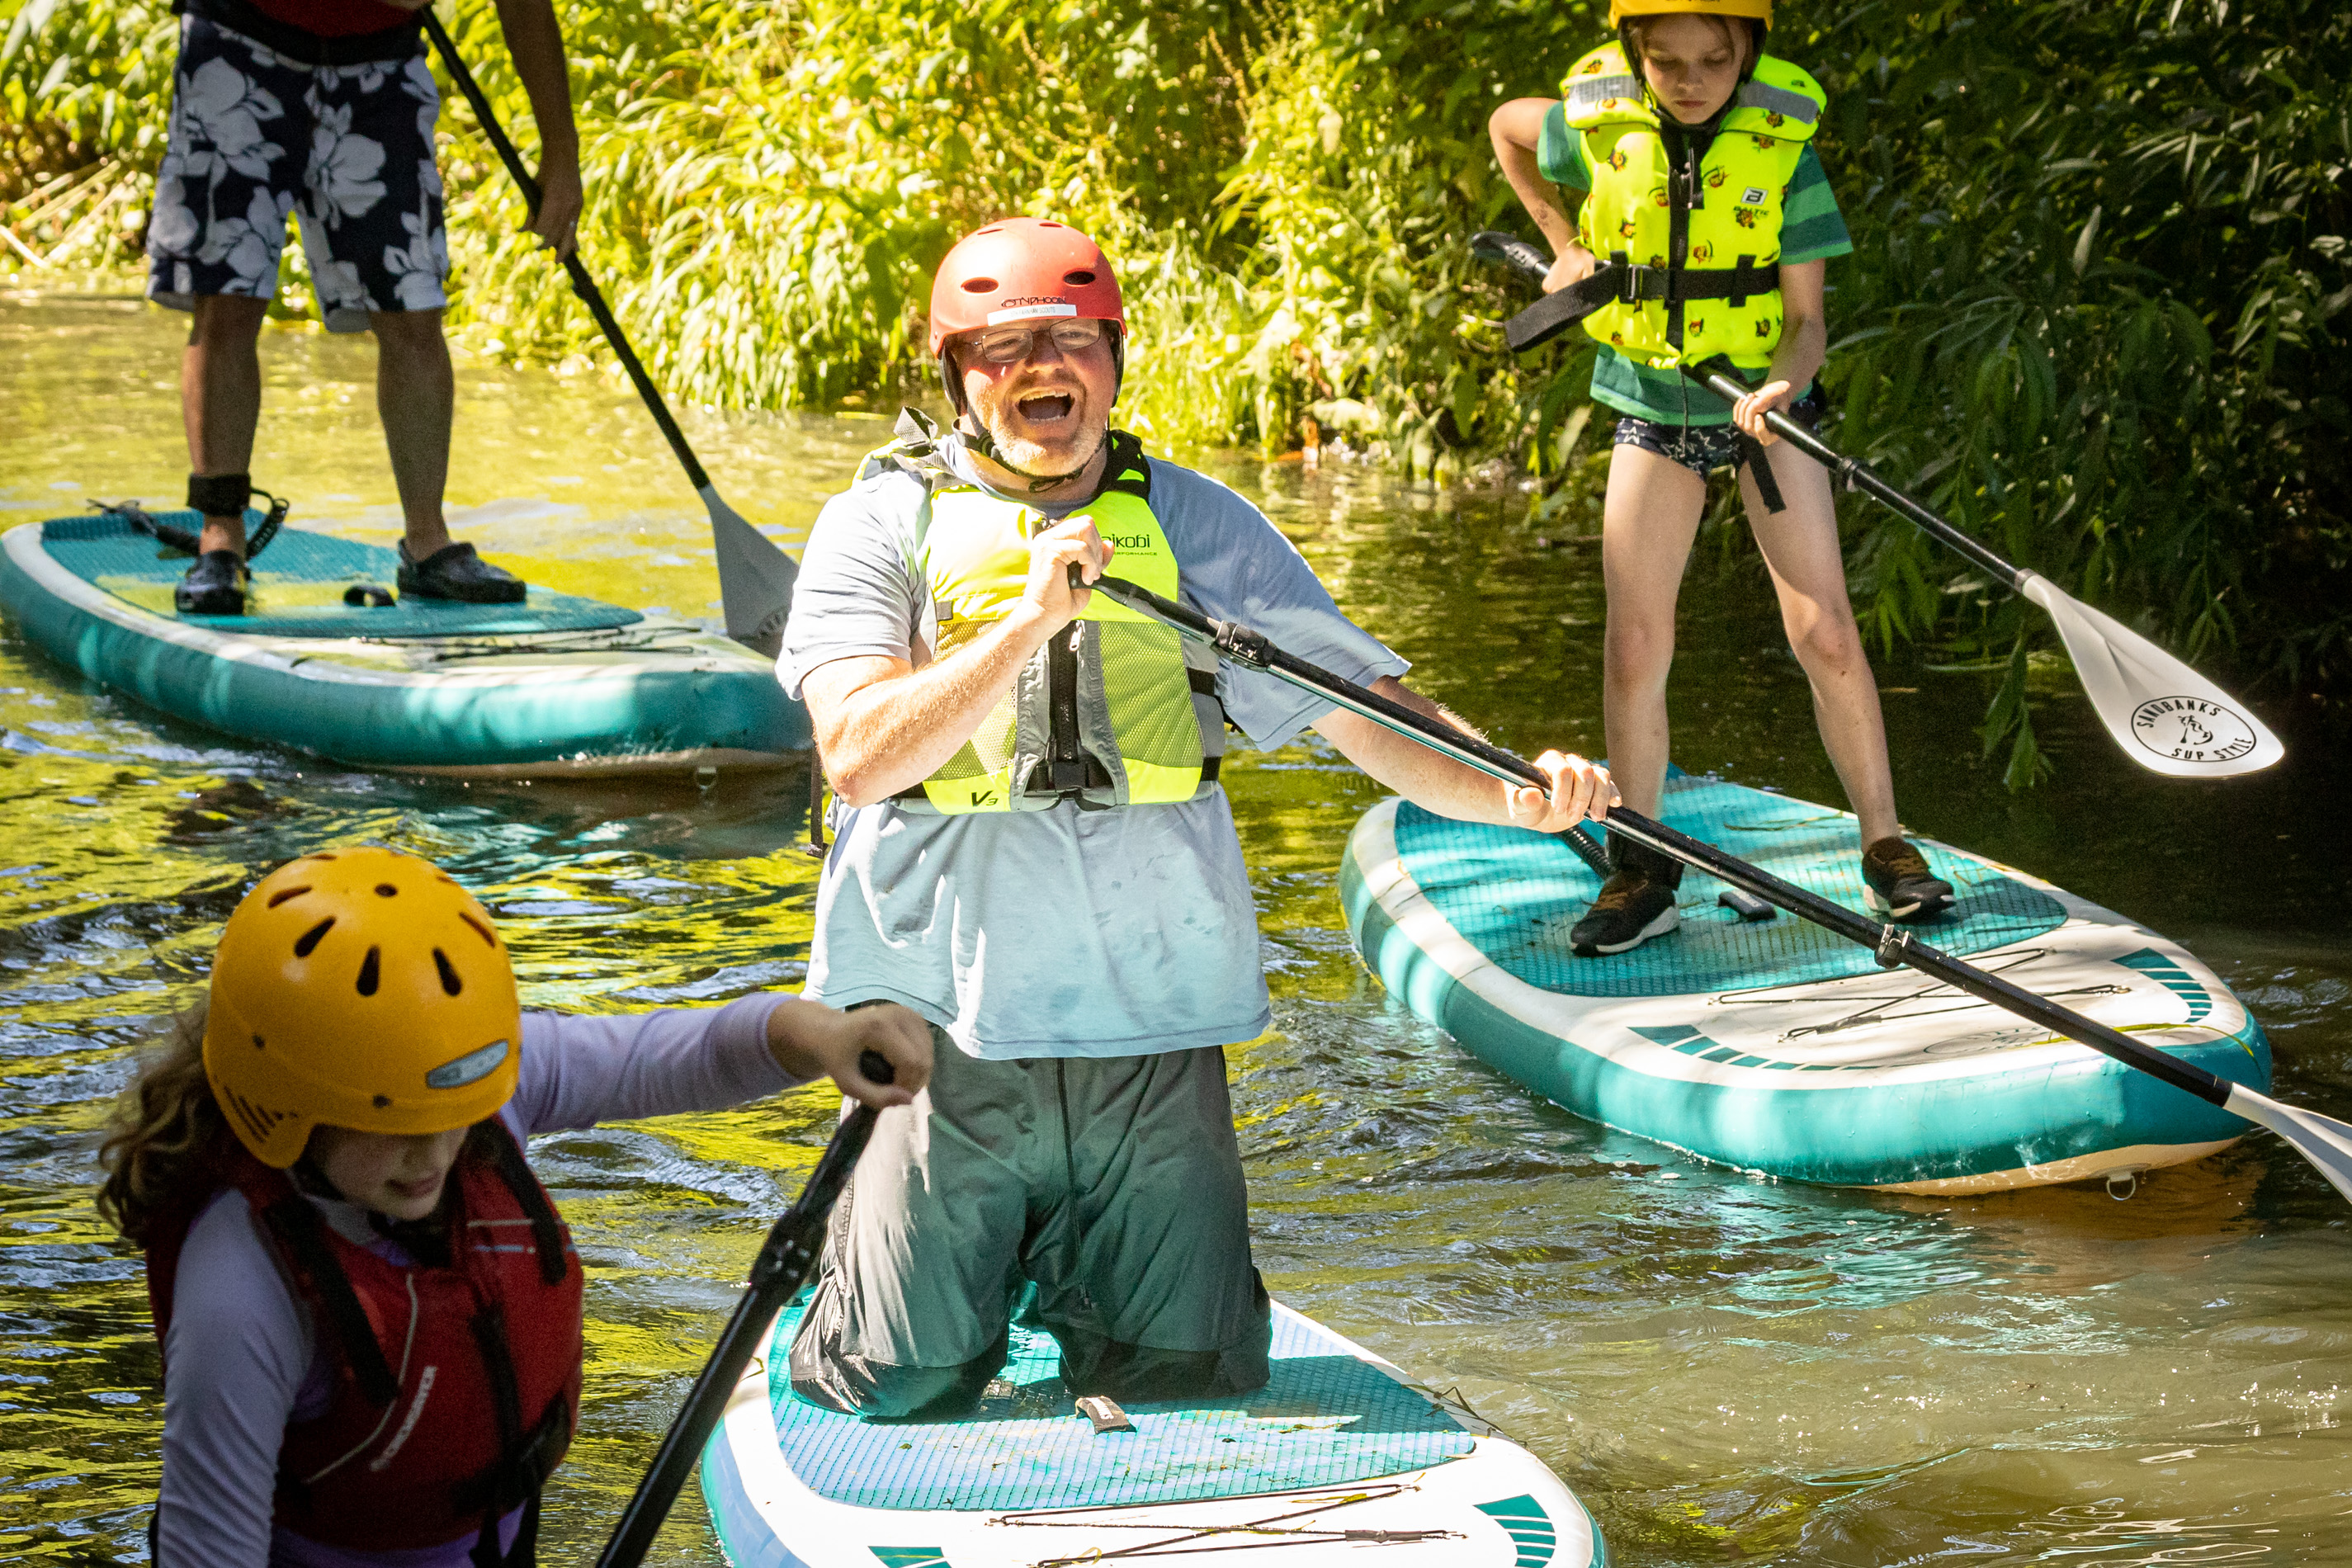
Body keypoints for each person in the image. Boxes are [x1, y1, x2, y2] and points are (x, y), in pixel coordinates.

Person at [778, 215, 1615, 1418]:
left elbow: (1364, 709)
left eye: (1071, 340)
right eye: (1003, 348)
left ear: (1114, 359)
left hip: (1152, 1019)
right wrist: (1025, 624)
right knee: (899, 1384)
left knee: (1186, 1377)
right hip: (935, 1027)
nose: (1041, 368)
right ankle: (885, 1290)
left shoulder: (1200, 522)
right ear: (957, 378)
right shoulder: (877, 525)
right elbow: (858, 757)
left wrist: (1516, 793)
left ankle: (1086, 1301)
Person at [96, 846, 931, 1568]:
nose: (435, 1155)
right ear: (287, 1105)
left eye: (453, 1116)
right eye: (394, 1128)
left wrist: (822, 1036)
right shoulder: (239, 1289)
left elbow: (684, 1054)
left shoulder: (466, 1076)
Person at [1488, 0, 1953, 956]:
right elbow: (1506, 127)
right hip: (1653, 408)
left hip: (1763, 410)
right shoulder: (1597, 126)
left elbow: (1807, 321)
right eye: (1666, 61)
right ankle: (1642, 867)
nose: (1690, 80)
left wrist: (1785, 383)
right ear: (1635, 58)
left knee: (1825, 630)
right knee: (1633, 645)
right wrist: (1561, 239)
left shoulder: (1784, 151)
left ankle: (1886, 845)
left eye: (1714, 58)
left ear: (1748, 53)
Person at [145, 0, 579, 616]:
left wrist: (561, 156)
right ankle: (221, 542)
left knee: (413, 307)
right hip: (239, 41)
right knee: (228, 297)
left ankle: (428, 544)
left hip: (381, 65)